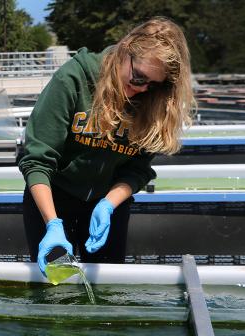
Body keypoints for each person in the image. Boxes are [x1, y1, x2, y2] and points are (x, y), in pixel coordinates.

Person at [18, 17, 194, 273]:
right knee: (55, 286)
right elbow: (37, 160)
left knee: (107, 290)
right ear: (126, 49)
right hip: (52, 199)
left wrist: (108, 204)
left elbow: (138, 169)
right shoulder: (74, 79)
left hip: (108, 205)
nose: (142, 89)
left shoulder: (151, 101)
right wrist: (53, 224)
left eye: (154, 85)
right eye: (138, 78)